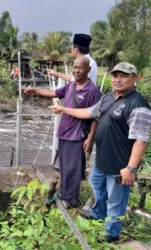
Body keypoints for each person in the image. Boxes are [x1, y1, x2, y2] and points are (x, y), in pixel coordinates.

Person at [49, 62, 151, 243]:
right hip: (103, 159)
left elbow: (141, 140)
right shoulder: (109, 97)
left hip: (120, 164)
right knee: (96, 184)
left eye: (123, 76)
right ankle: (98, 213)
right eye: (115, 76)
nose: (117, 80)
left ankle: (111, 233)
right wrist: (64, 109)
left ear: (134, 78)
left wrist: (131, 168)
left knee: (116, 200)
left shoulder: (138, 104)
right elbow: (89, 112)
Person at [24, 56, 101, 208]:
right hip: (64, 132)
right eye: (75, 67)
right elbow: (52, 93)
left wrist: (90, 139)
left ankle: (71, 199)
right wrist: (34, 90)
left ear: (88, 70)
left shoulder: (93, 91)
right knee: (64, 167)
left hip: (78, 135)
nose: (76, 70)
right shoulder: (71, 85)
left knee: (74, 168)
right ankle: (64, 194)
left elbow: (95, 117)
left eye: (80, 68)